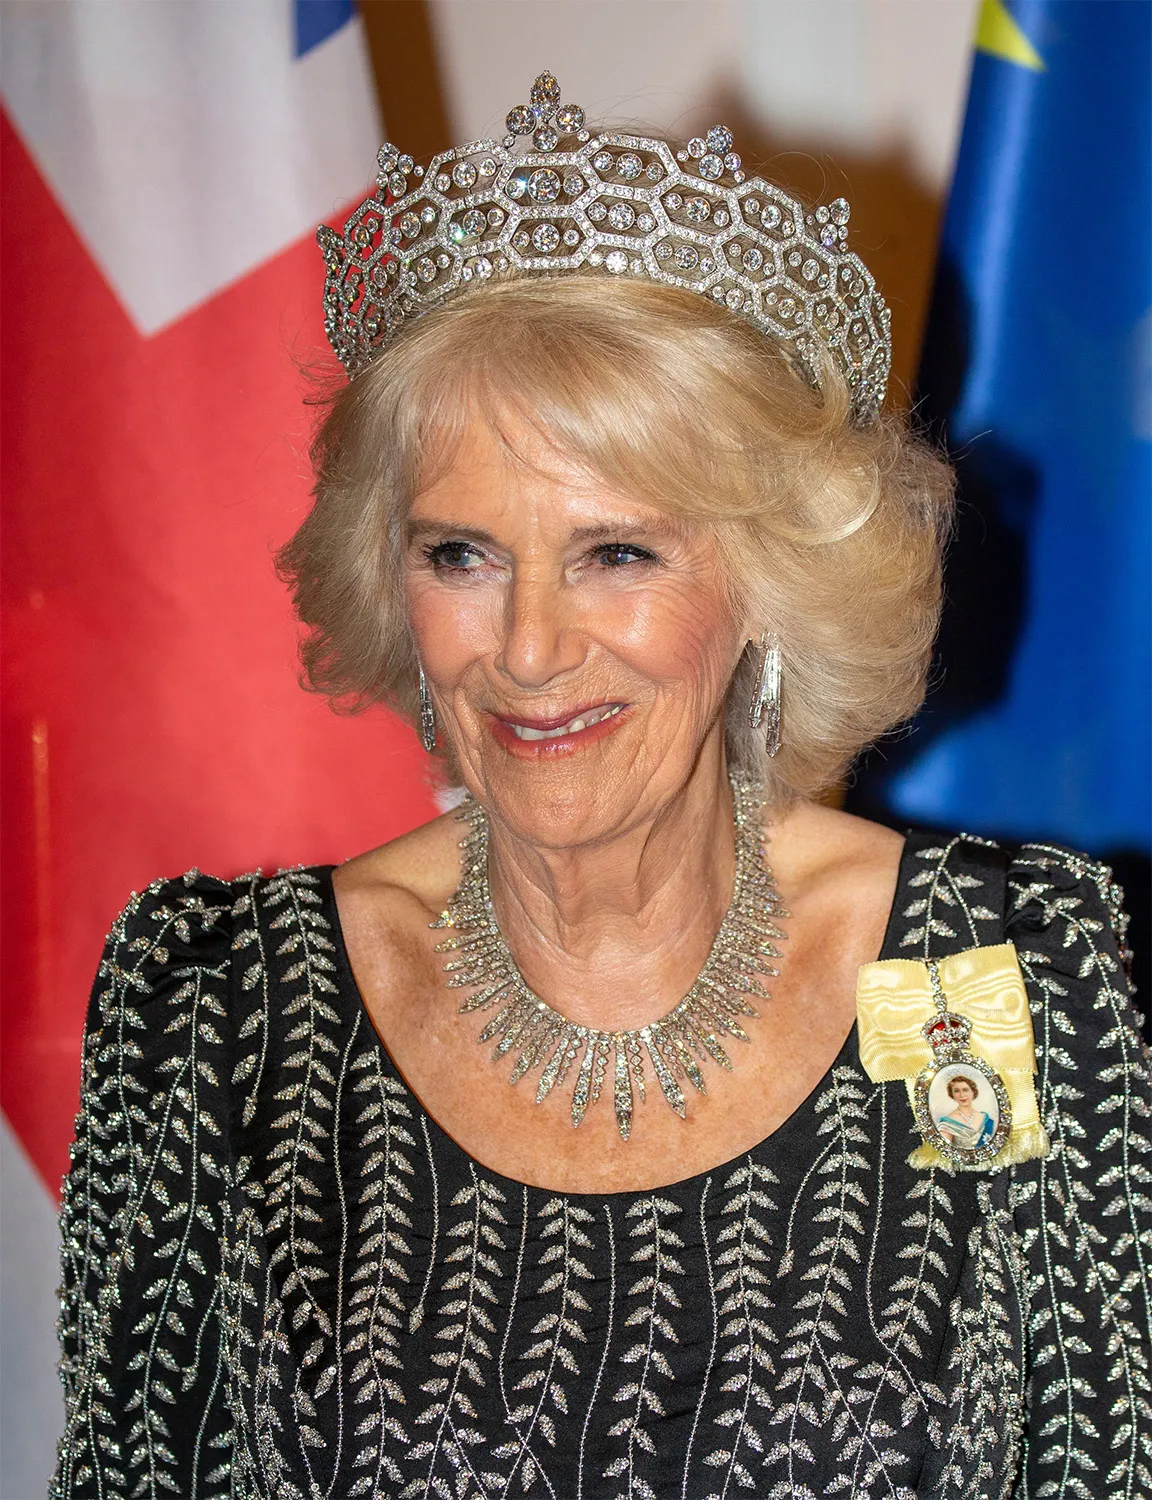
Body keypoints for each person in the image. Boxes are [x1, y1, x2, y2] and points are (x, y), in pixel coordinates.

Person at [52, 75, 1150, 1500]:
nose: (526, 647)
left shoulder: (983, 973)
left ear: (767, 581)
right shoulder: (222, 1012)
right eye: (461, 554)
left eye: (615, 554)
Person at [935, 1073, 996, 1151]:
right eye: (957, 1091)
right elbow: (945, 1151)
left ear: (973, 1092)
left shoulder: (986, 1118)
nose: (962, 1095)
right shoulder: (946, 1123)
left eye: (965, 1090)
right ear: (952, 1095)